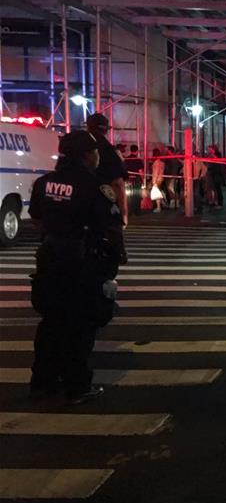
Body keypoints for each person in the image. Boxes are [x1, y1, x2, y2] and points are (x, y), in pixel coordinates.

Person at [28, 130, 125, 405]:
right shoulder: (95, 186)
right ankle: (77, 386)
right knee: (79, 325)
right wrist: (119, 255)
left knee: (50, 323)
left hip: (49, 259)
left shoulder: (44, 183)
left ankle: (42, 383)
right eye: (94, 152)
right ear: (87, 155)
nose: (97, 157)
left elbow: (36, 220)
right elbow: (111, 227)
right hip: (82, 262)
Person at [86, 113, 128, 226]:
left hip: (77, 210)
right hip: (102, 208)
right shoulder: (110, 151)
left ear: (88, 127)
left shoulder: (75, 147)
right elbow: (118, 184)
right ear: (105, 130)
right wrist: (124, 215)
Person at [150, 147, 166, 213]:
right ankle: (163, 204)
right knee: (159, 192)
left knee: (156, 193)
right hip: (161, 178)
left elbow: (156, 172)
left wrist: (154, 182)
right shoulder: (162, 162)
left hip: (156, 179)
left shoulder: (156, 162)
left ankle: (158, 207)